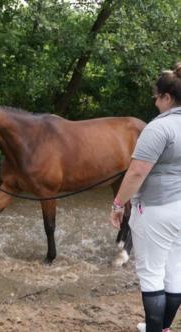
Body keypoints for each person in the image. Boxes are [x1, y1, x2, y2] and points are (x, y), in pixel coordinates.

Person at [111, 62, 181, 332]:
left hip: (158, 208)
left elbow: (137, 172)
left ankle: (154, 330)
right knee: (175, 269)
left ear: (166, 97)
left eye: (157, 96)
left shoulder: (158, 128)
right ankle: (162, 328)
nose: (155, 102)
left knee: (151, 273)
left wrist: (118, 204)